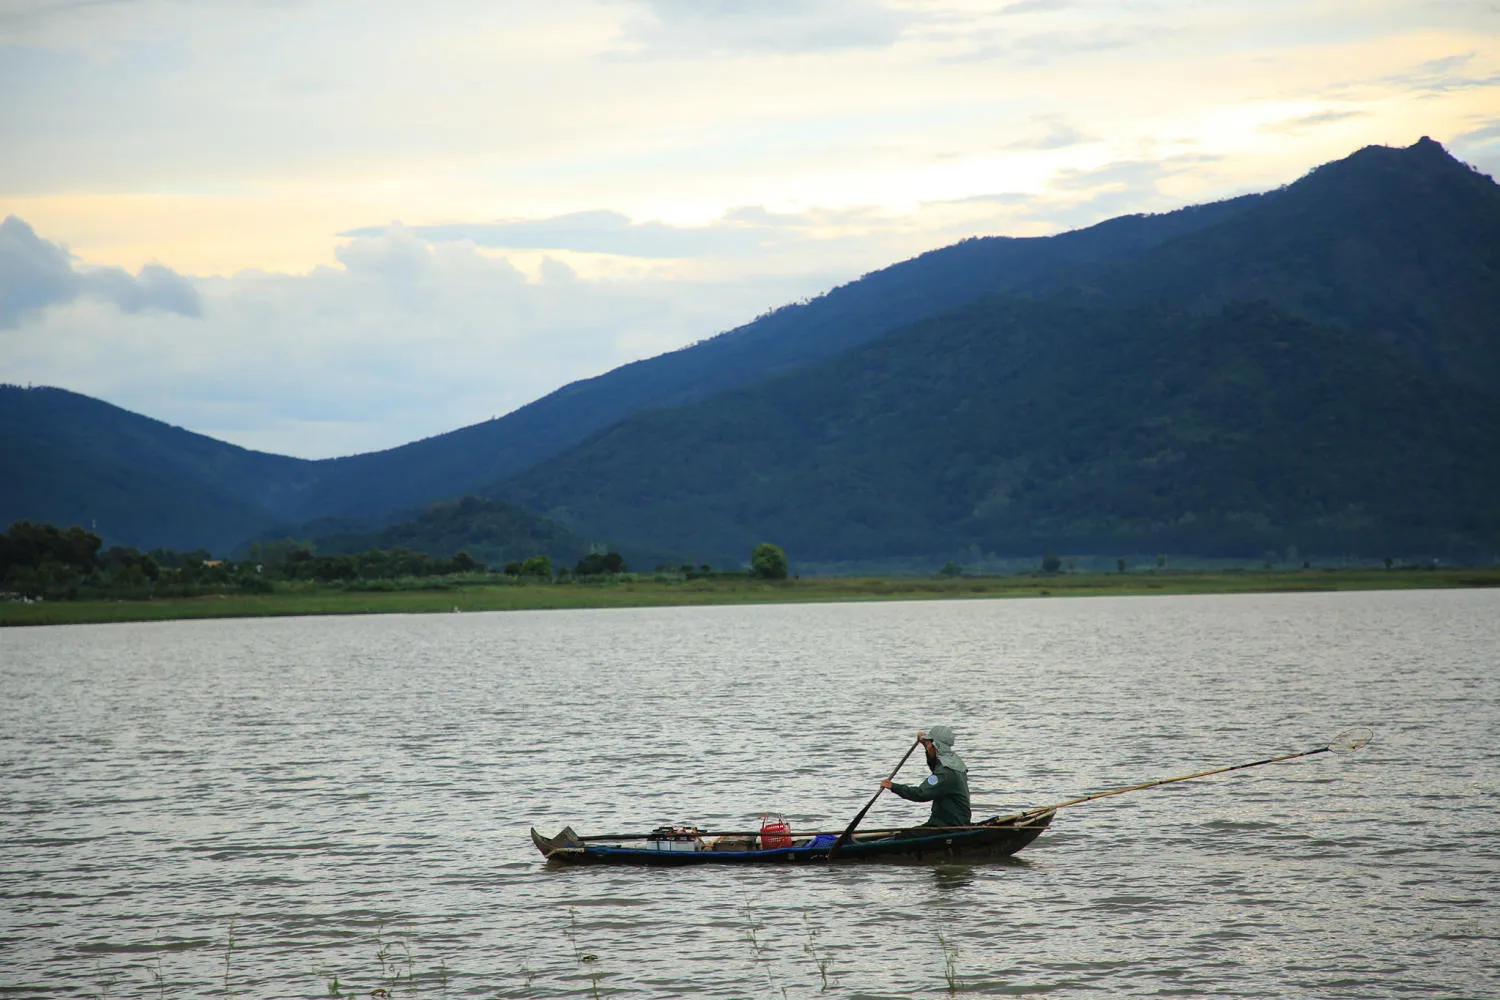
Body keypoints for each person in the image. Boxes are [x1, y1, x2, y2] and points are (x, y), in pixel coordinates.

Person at [880, 726, 971, 828]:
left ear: (936, 746)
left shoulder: (944, 773)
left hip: (949, 825)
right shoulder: (954, 762)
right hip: (952, 821)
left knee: (904, 836)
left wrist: (893, 786)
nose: (927, 747)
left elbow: (921, 794)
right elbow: (935, 766)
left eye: (928, 744)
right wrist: (924, 743)